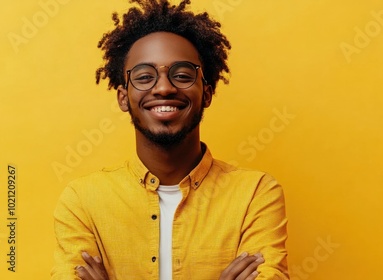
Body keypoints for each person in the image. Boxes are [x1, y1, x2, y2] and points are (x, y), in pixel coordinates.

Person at [50, 0, 289, 279]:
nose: (163, 87)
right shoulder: (82, 201)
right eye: (144, 76)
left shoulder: (256, 194)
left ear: (207, 94)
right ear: (124, 97)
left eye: (182, 75)